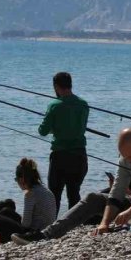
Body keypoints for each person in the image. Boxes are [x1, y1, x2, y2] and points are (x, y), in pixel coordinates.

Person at [13, 129, 131, 244]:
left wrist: (130, 211)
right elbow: (116, 192)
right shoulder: (125, 158)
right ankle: (46, 234)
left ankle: (126, 223)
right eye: (125, 157)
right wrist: (104, 223)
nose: (129, 161)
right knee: (93, 198)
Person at [38, 72, 89, 212]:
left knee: (54, 195)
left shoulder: (54, 105)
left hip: (60, 156)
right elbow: (80, 127)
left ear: (55, 86)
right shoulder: (83, 104)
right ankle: (73, 225)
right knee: (74, 193)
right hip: (80, 155)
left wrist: (54, 128)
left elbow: (42, 131)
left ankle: (52, 227)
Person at [0, 159, 57, 244]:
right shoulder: (45, 190)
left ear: (22, 179)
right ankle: (3, 240)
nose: (17, 182)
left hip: (35, 233)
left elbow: (26, 224)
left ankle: (5, 241)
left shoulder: (30, 194)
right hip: (47, 228)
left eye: (16, 179)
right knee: (6, 211)